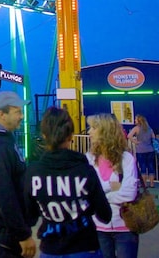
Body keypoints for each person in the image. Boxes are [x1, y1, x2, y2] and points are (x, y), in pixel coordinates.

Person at [25, 107, 111, 258]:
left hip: (51, 248)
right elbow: (105, 215)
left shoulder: (33, 172)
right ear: (70, 135)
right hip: (85, 247)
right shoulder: (85, 170)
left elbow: (29, 216)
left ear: (44, 135)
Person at [0, 91, 36, 258]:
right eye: (17, 112)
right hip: (5, 227)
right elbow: (3, 194)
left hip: (9, 225)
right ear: (2, 114)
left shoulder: (4, 140)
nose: (22, 116)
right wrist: (22, 234)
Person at [87, 113, 140, 258]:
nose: (89, 132)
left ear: (106, 131)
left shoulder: (126, 158)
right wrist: (112, 187)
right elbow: (87, 192)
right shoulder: (89, 159)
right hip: (98, 227)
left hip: (125, 227)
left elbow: (129, 193)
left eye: (93, 128)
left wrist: (99, 196)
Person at [127, 115, 157, 188]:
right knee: (151, 166)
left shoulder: (136, 128)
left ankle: (144, 184)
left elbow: (129, 136)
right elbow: (153, 137)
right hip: (150, 149)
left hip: (140, 150)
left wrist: (135, 142)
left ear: (139, 121)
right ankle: (152, 184)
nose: (134, 120)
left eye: (136, 119)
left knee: (142, 167)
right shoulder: (149, 128)